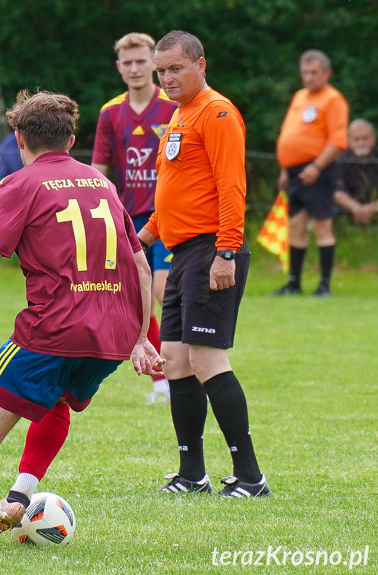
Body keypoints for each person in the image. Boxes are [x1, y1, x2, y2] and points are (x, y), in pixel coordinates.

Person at [0, 89, 163, 560]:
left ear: (18, 137)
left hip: (53, 328)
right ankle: (19, 497)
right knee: (55, 397)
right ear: (72, 138)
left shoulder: (18, 185)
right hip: (113, 335)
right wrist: (140, 337)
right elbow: (141, 267)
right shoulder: (103, 185)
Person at [138, 30, 270, 498]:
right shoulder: (178, 118)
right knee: (175, 361)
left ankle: (251, 478)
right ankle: (192, 474)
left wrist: (227, 251)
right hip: (180, 253)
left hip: (212, 249)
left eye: (176, 69)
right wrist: (145, 235)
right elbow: (174, 194)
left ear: (200, 64)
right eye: (162, 72)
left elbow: (232, 186)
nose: (167, 78)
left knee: (207, 358)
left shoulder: (216, 112)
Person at [92, 32, 178, 404]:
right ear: (119, 68)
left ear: (153, 64)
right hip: (129, 221)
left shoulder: (174, 107)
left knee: (162, 290)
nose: (135, 68)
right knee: (137, 298)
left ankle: (184, 371)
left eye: (141, 61)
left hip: (169, 216)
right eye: (127, 63)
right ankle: (163, 381)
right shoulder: (111, 112)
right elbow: (98, 169)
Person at [274, 50, 349, 297]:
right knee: (295, 226)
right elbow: (289, 132)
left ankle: (324, 285)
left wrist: (317, 166)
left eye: (314, 72)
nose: (308, 77)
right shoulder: (299, 97)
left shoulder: (333, 100)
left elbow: (338, 140)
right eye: (305, 72)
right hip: (295, 172)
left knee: (321, 226)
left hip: (319, 171)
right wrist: (286, 168)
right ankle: (294, 284)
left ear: (327, 73)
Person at [334, 119, 378, 227]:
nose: (361, 143)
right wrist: (355, 208)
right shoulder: (340, 160)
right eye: (356, 139)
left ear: (374, 139)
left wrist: (371, 208)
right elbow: (336, 191)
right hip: (348, 209)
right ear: (349, 141)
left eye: (365, 138)